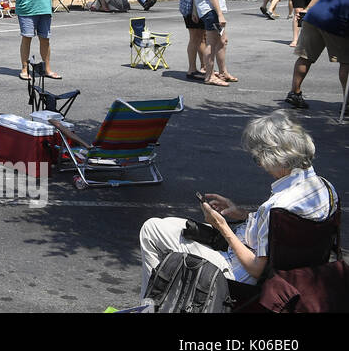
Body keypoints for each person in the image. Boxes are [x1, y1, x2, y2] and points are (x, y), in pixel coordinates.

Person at [137, 113, 336, 297]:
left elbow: (256, 269)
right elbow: (279, 231)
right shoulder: (326, 189)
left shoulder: (278, 206)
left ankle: (153, 304)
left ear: (279, 159)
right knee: (171, 226)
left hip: (238, 273)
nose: (259, 164)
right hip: (297, 273)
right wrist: (241, 214)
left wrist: (222, 225)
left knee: (152, 230)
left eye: (259, 158)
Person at [285, 0, 349, 109]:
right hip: (337, 21)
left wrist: (307, 10)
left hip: (314, 16)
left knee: (305, 57)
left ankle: (294, 93)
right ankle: (347, 102)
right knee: (346, 62)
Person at [193, 0, 235, 86]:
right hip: (211, 11)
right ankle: (209, 76)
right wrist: (220, 14)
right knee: (212, 43)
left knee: (223, 40)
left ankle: (222, 72)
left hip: (215, 9)